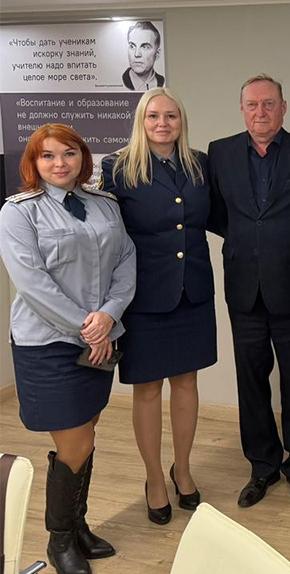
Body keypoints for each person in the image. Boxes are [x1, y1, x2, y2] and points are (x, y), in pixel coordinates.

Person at [0, 124, 136, 574]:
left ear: (83, 158)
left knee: (88, 430)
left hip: (100, 336)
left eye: (69, 153)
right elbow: (32, 283)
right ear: (33, 163)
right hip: (49, 342)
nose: (60, 163)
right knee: (76, 441)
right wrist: (87, 327)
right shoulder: (19, 212)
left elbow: (126, 259)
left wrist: (109, 316)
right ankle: (59, 541)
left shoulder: (104, 205)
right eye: (48, 156)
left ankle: (77, 527)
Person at [208, 74, 290, 508]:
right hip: (244, 290)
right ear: (242, 110)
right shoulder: (220, 153)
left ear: (283, 107)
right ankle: (262, 467)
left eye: (269, 104)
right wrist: (250, 243)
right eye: (253, 105)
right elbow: (217, 213)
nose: (261, 112)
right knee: (251, 382)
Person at [100, 87, 215, 525]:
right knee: (147, 390)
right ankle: (153, 478)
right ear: (141, 121)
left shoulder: (199, 164)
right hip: (144, 296)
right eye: (153, 116)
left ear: (181, 120)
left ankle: (182, 470)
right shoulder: (117, 168)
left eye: (171, 115)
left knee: (186, 383)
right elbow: (105, 236)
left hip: (193, 292)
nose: (163, 123)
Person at [121, 21, 165, 91]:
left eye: (145, 47)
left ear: (157, 54)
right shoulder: (118, 82)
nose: (137, 54)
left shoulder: (163, 83)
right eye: (132, 46)